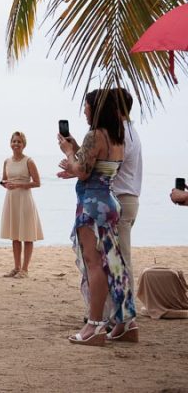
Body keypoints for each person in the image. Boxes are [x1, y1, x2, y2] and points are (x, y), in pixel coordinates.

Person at [58, 89, 137, 345]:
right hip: (110, 201)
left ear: (96, 109)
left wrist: (68, 152)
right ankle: (126, 323)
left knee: (95, 264)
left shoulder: (94, 134)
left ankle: (95, 326)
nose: (84, 111)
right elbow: (98, 165)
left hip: (92, 204)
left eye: (87, 106)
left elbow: (82, 170)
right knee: (114, 263)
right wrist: (77, 150)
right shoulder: (118, 136)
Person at [0, 131, 43, 278]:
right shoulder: (7, 161)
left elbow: (37, 183)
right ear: (10, 143)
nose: (16, 144)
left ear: (24, 144)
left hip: (25, 200)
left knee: (27, 234)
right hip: (11, 200)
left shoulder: (28, 161)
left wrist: (19, 185)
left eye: (19, 142)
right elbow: (4, 180)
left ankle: (25, 269)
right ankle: (16, 267)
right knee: (15, 235)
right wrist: (5, 184)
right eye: (14, 141)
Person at [112, 88, 142, 297]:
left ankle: (126, 307)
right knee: (121, 255)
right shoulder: (131, 131)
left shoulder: (123, 134)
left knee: (122, 257)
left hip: (123, 198)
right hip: (128, 198)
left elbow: (114, 166)